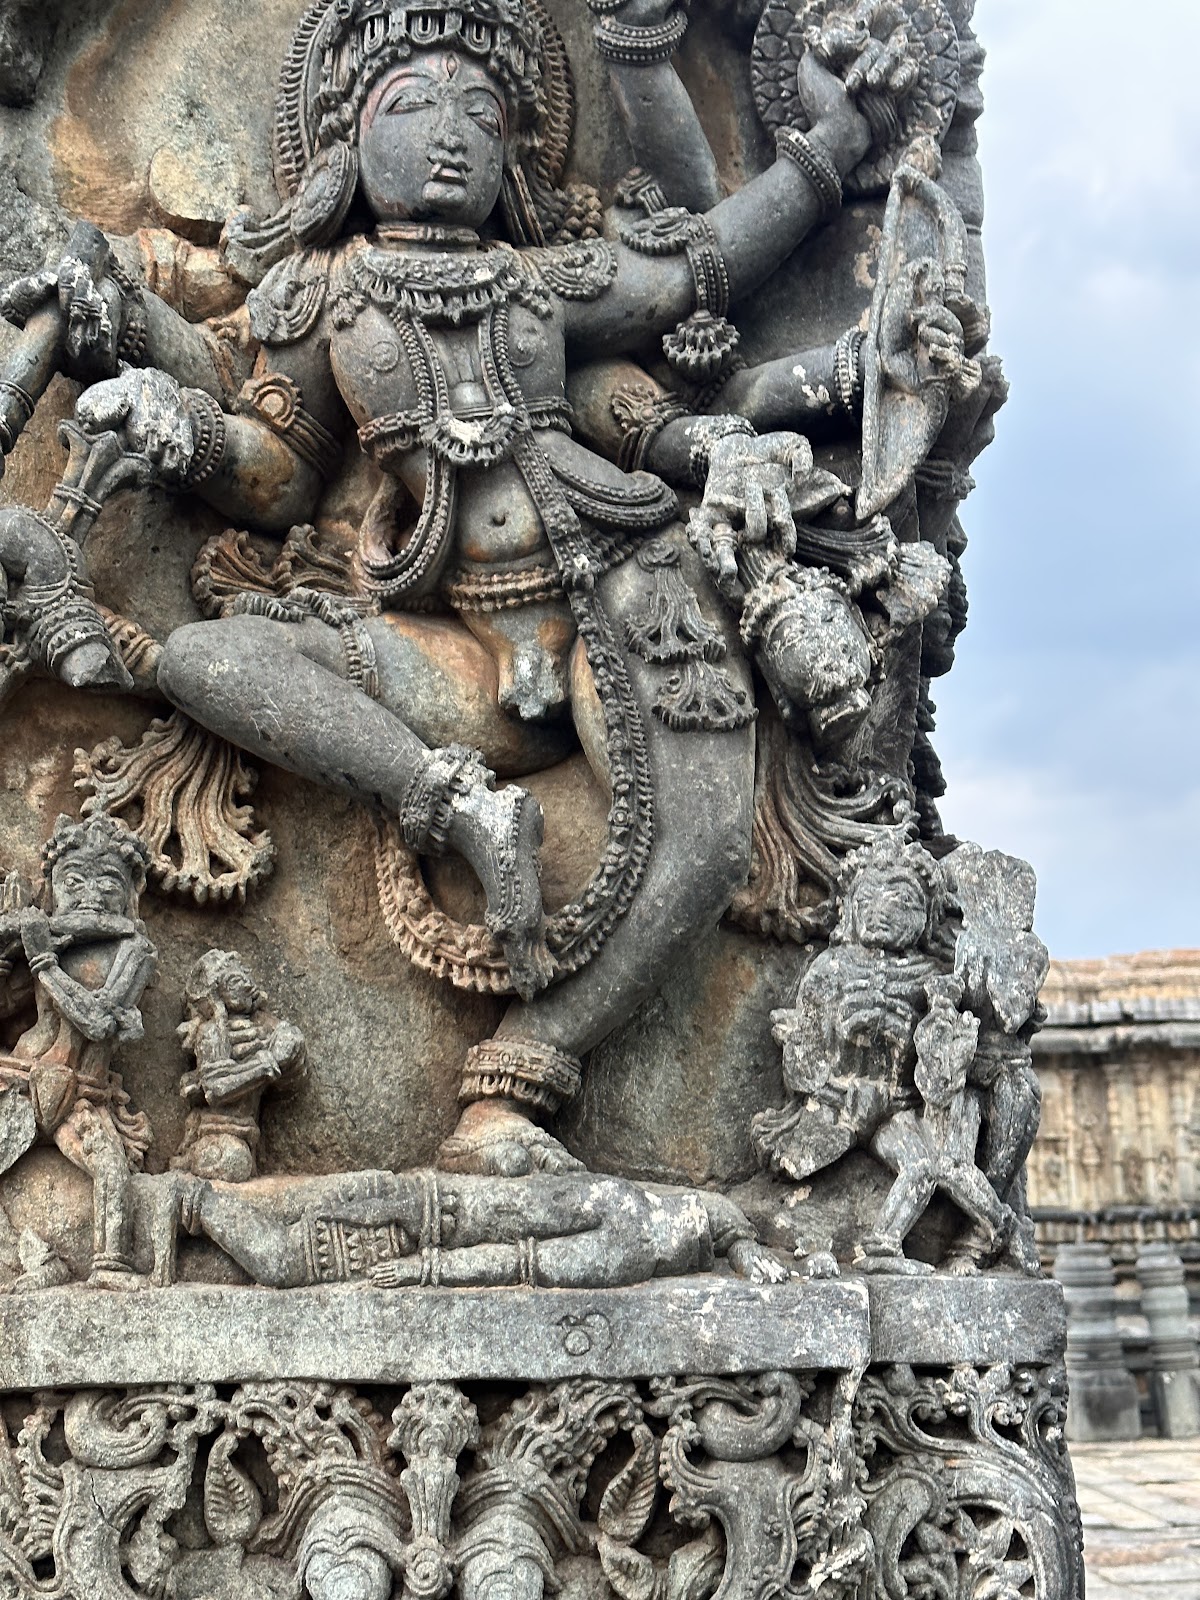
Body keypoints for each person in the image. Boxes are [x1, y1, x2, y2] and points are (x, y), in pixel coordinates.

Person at [2, 0, 874, 1177]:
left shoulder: (543, 284)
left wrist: (831, 156)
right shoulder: (324, 297)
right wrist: (183, 426)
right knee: (209, 659)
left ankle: (515, 1084)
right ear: (342, 141)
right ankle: (457, 805)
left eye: (481, 109)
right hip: (449, 639)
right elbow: (275, 475)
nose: (450, 135)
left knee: (707, 843)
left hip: (617, 577)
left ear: (517, 143)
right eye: (409, 106)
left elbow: (702, 265)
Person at [0, 813, 156, 1289]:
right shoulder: (52, 939)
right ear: (52, 889)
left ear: (132, 893)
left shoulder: (134, 953)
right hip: (23, 1082)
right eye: (75, 880)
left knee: (110, 1169)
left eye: (108, 881)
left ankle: (110, 1264)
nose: (91, 893)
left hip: (83, 1093)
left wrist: (43, 960)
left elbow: (100, 1021)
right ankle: (36, 1258)